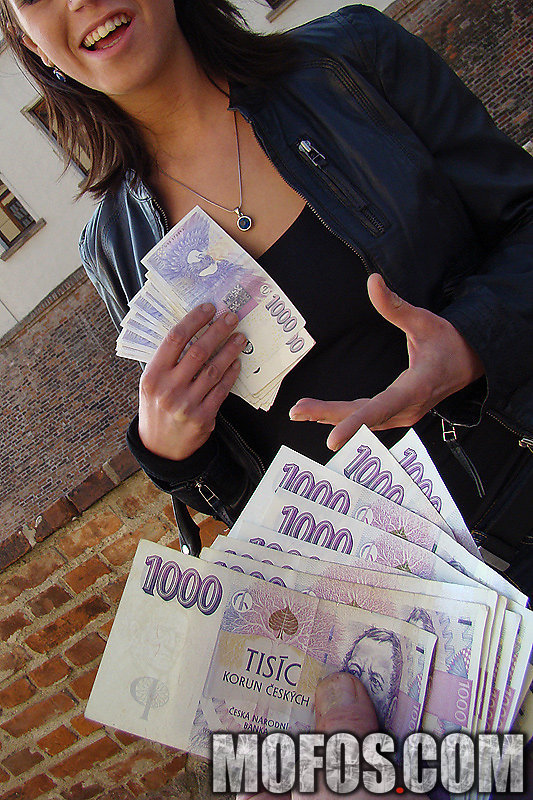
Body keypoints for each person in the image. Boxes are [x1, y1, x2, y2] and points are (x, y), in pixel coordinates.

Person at [1, 1, 532, 589]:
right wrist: (172, 451)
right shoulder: (114, 248)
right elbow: (248, 495)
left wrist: (471, 342)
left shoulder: (349, 62)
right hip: (399, 609)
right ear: (29, 41)